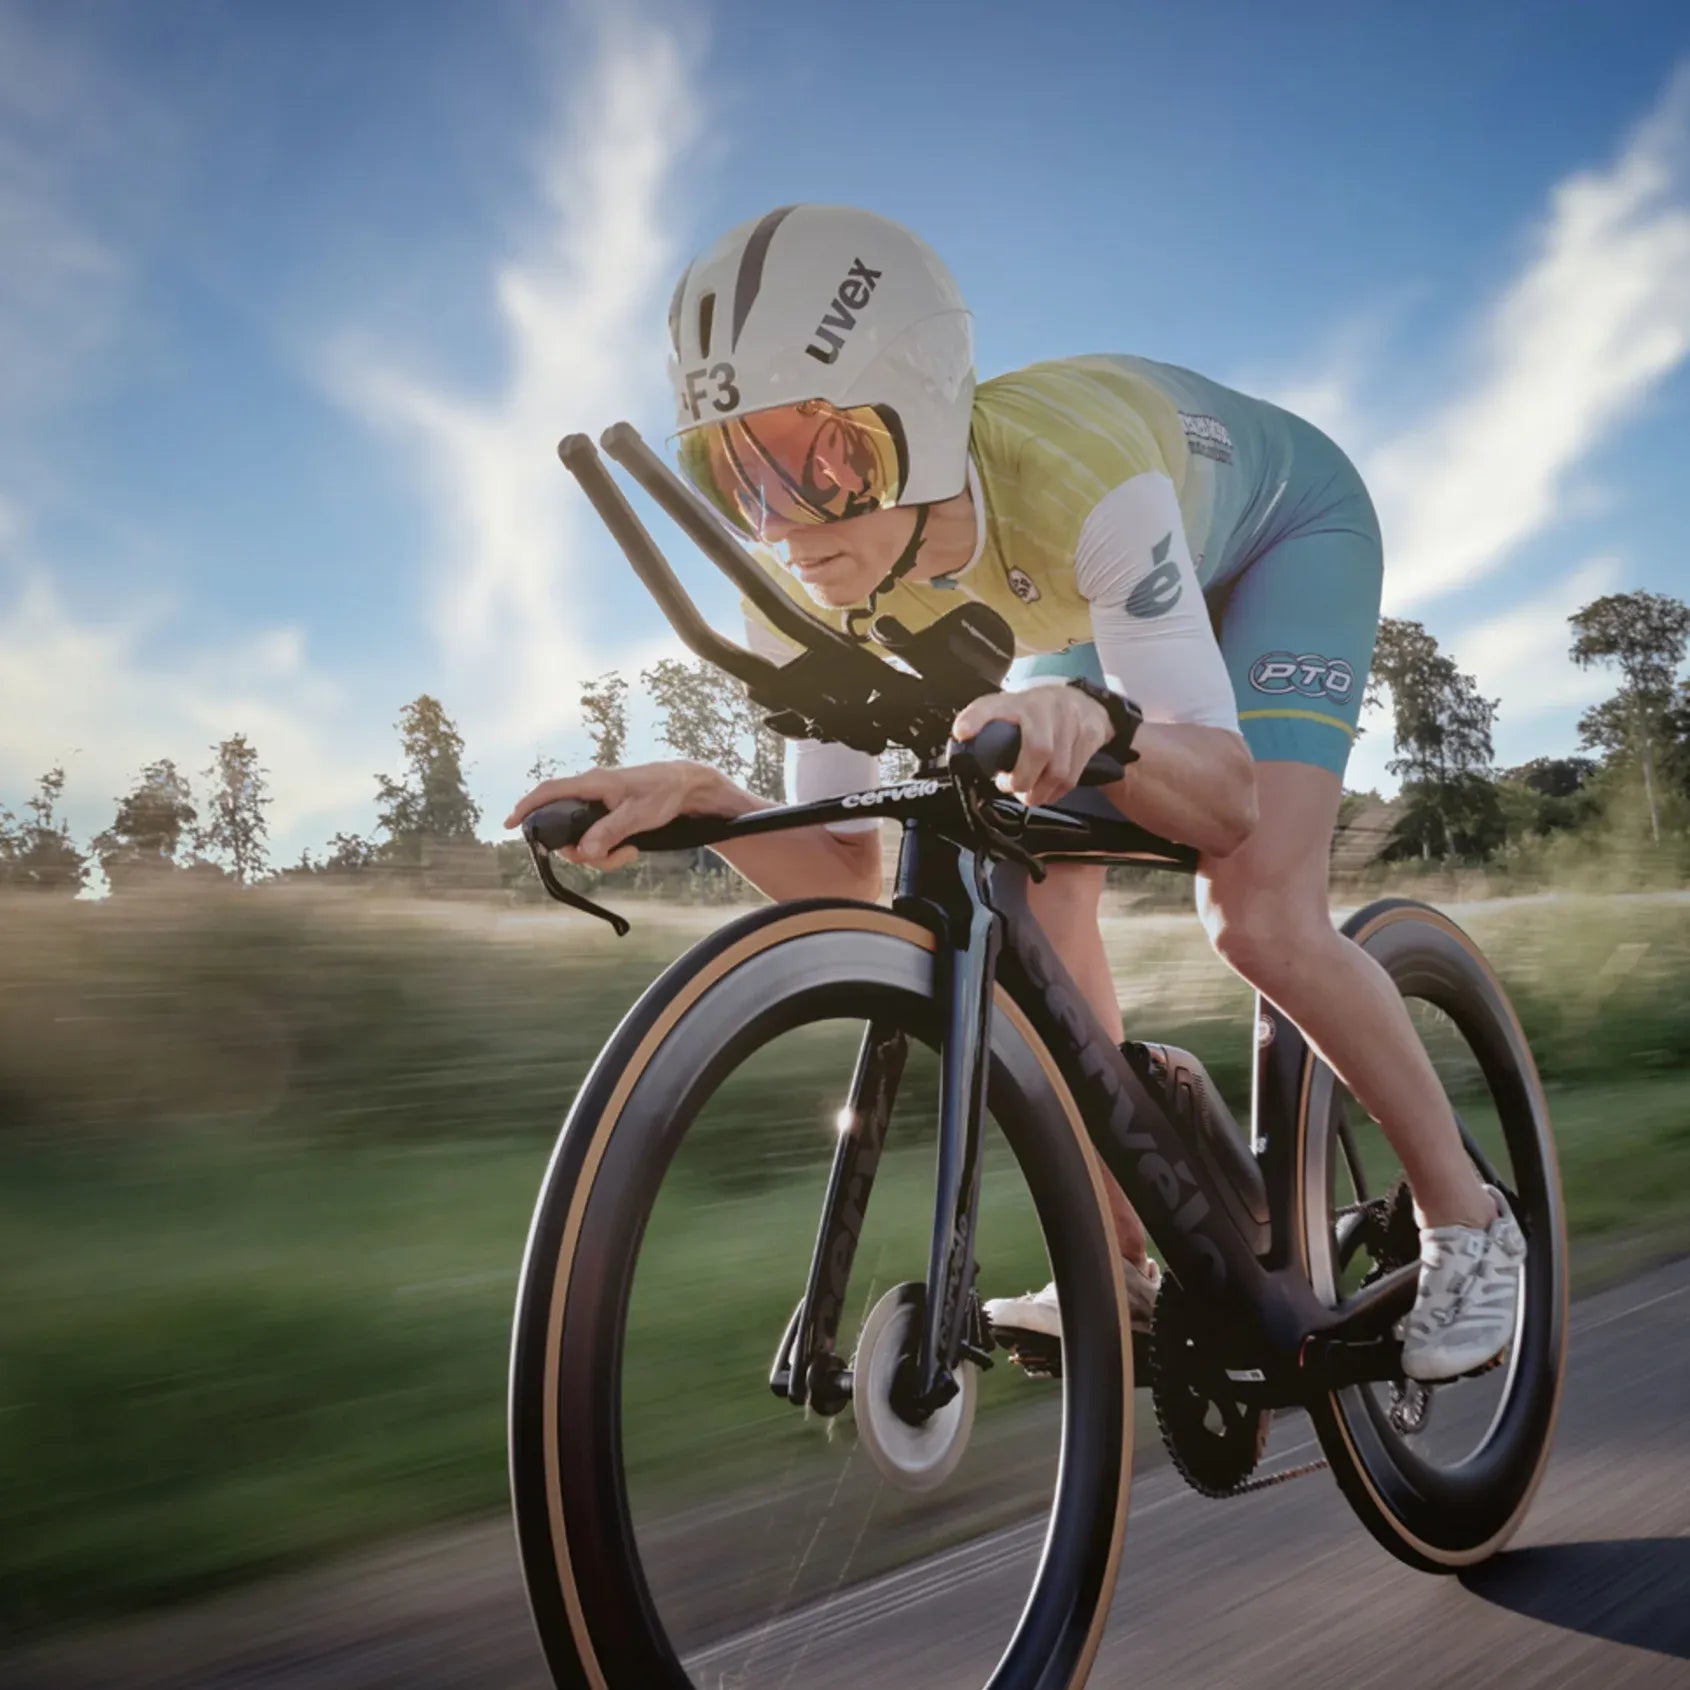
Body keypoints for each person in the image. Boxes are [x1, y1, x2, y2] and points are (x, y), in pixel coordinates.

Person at [506, 204, 1525, 1383]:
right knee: (1030, 883)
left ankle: (1473, 1225)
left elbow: (1226, 800)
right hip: (1094, 605)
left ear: (924, 417)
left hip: (1279, 535)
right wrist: (712, 802)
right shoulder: (813, 576)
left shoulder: (1070, 481)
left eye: (822, 459)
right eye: (738, 474)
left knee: (1255, 911)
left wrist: (1101, 725)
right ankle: (1127, 1261)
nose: (785, 523)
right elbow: (849, 882)